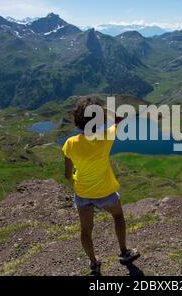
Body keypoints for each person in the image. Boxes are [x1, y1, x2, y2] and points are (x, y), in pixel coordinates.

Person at [62, 97, 140, 275]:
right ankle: (124, 252)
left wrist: (75, 179)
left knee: (86, 230)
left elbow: (67, 175)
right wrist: (103, 109)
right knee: (118, 216)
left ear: (77, 120)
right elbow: (119, 118)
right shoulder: (106, 138)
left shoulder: (70, 144)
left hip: (82, 192)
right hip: (105, 191)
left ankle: (93, 263)